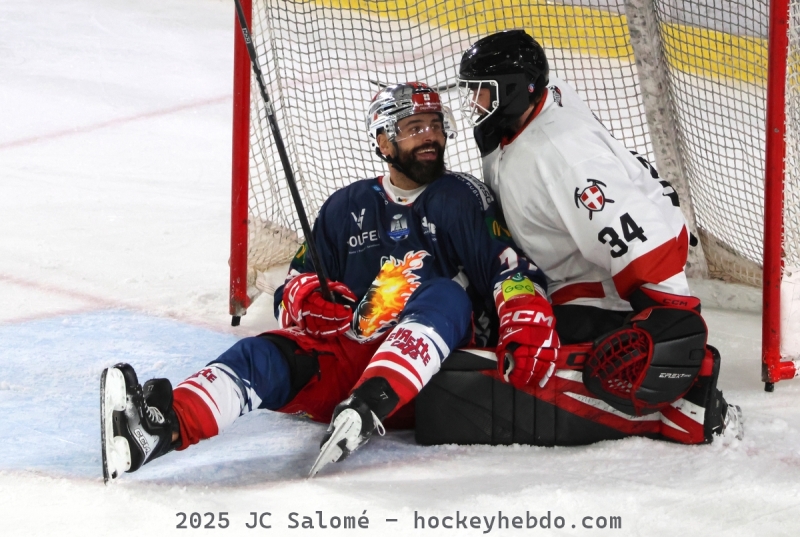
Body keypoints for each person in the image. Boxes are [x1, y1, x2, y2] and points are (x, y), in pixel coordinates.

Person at [101, 82, 558, 481]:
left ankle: (370, 401)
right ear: (382, 139)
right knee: (260, 352)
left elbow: (511, 271)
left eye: (435, 125)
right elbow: (293, 287)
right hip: (351, 356)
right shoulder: (345, 207)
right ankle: (160, 429)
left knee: (443, 293)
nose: (430, 137)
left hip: (433, 378)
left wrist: (527, 320)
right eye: (414, 127)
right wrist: (313, 302)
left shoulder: (461, 197)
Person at [454, 30, 743, 444]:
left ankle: (688, 400)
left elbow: (637, 233)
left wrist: (672, 324)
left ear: (516, 91)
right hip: (568, 264)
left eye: (483, 91)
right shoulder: (529, 114)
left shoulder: (561, 155)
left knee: (517, 362)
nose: (474, 103)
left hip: (599, 290)